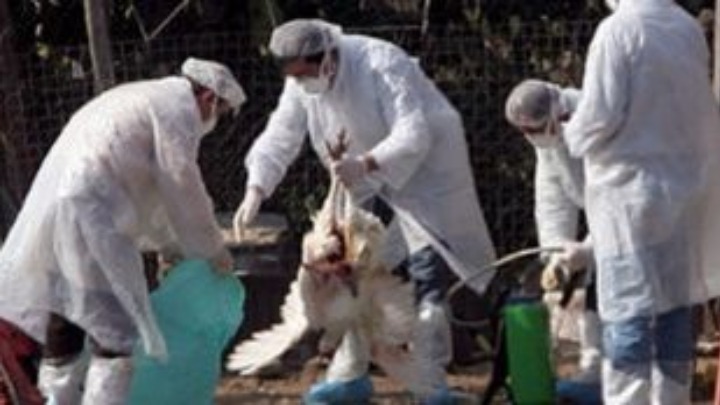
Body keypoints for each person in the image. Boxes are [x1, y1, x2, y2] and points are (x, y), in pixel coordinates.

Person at [233, 18, 496, 403]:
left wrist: (366, 163)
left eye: (306, 73)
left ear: (326, 56)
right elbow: (281, 135)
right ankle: (349, 375)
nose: (302, 81)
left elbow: (413, 131)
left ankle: (432, 384)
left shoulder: (381, 62)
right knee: (352, 276)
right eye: (294, 75)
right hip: (358, 174)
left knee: (428, 272)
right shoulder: (301, 84)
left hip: (426, 171)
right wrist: (256, 187)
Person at [0, 57, 245, 404]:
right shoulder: (177, 111)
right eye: (220, 111)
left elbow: (150, 187)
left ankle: (56, 398)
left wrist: (169, 244)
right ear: (209, 97)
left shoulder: (138, 96)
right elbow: (181, 185)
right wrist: (212, 249)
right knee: (116, 331)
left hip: (60, 206)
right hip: (95, 213)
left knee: (66, 312)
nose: (214, 120)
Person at [564, 0, 720, 403]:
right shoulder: (686, 27)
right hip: (684, 193)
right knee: (674, 310)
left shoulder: (617, 31)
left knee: (628, 311)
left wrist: (567, 133)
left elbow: (599, 118)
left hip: (631, 198)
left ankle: (627, 398)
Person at [505, 79, 602, 402]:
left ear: (556, 115)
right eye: (523, 132)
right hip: (609, 217)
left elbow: (618, 195)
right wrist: (556, 250)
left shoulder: (595, 120)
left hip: (641, 218)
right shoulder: (550, 138)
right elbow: (552, 195)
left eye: (532, 129)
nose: (529, 136)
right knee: (596, 285)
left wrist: (588, 248)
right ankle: (596, 372)